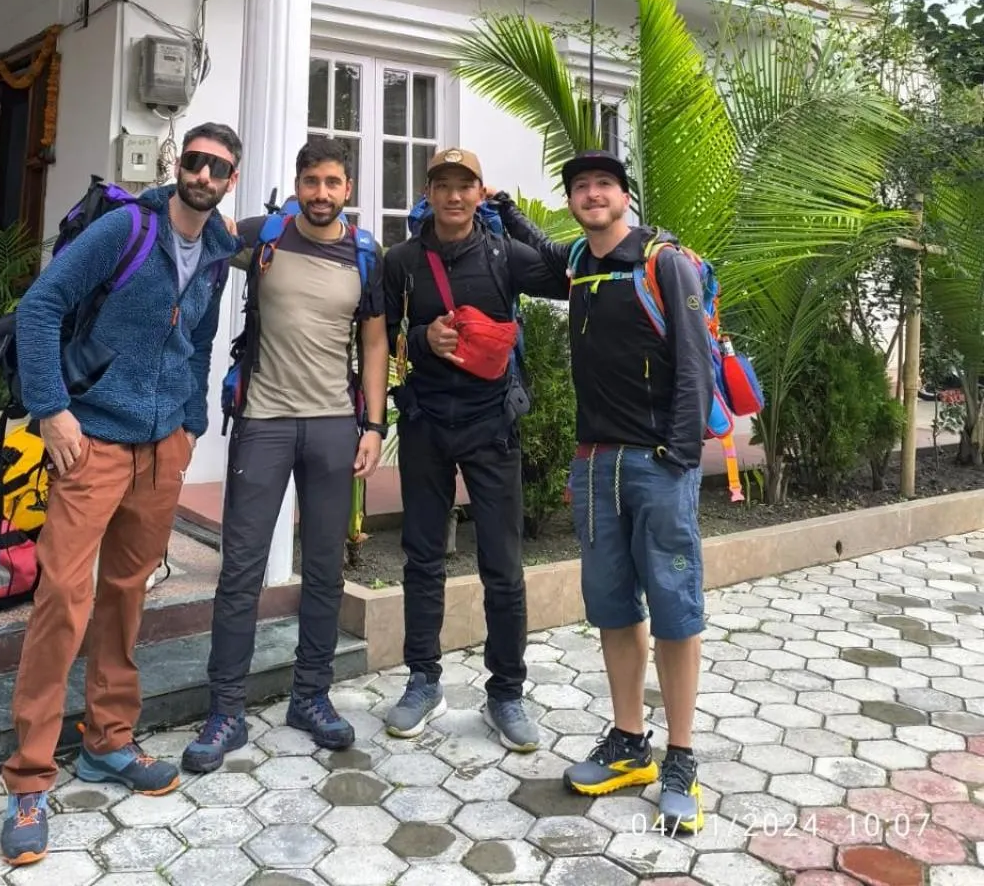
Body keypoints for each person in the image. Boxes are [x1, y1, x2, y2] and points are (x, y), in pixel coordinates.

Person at [0, 124, 242, 867]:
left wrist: (192, 425)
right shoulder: (125, 228)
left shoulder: (222, 251)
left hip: (163, 444)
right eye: (195, 161)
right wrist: (52, 409)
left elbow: (197, 341)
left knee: (127, 592)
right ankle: (31, 776)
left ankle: (108, 739)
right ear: (178, 165)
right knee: (63, 598)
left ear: (232, 178)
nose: (204, 174)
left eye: (219, 167)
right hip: (92, 438)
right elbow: (42, 308)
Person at [491, 150, 712, 834]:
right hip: (595, 465)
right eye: (581, 187)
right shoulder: (582, 266)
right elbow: (549, 250)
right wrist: (507, 214)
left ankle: (680, 757)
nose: (592, 195)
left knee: (675, 607)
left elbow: (694, 364)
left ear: (625, 197)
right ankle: (628, 743)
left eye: (604, 187)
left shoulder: (663, 262)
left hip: (657, 462)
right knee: (613, 606)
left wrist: (680, 454)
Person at [181, 136, 389, 773]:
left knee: (325, 569)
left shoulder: (365, 253)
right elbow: (198, 224)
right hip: (264, 423)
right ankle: (226, 712)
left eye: (332, 183)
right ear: (296, 185)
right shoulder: (262, 237)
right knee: (240, 568)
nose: (320, 194)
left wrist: (374, 426)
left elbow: (376, 341)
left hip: (333, 425)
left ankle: (312, 698)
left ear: (347, 189)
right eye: (311, 182)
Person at [381, 147, 565, 754]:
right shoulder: (403, 261)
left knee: (504, 568)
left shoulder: (504, 255)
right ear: (428, 192)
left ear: (480, 192)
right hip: (427, 422)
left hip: (491, 425)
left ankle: (507, 692)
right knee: (422, 558)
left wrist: (515, 219)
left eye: (466, 186)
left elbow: (568, 278)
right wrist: (421, 337)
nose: (454, 196)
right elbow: (382, 335)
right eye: (443, 185)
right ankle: (422, 680)